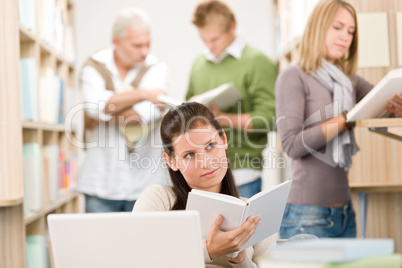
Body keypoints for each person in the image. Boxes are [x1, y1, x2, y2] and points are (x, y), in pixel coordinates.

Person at [275, 0, 375, 238]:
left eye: (351, 31)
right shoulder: (293, 76)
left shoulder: (348, 80)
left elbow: (380, 100)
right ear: (318, 27)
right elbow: (291, 145)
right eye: (338, 27)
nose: (346, 37)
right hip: (306, 216)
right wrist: (343, 120)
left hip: (344, 212)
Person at [133, 102, 276, 267]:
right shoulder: (159, 200)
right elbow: (139, 260)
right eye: (190, 155)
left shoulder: (254, 215)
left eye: (210, 145)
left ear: (223, 139)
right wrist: (208, 250)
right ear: (171, 160)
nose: (206, 162)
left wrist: (239, 259)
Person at [77, 7, 169, 212]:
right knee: (99, 243)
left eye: (147, 44)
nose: (144, 52)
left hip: (146, 183)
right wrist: (143, 94)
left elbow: (142, 116)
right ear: (117, 42)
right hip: (100, 182)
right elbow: (94, 108)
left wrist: (104, 113)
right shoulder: (94, 66)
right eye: (137, 45)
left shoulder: (157, 68)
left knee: (143, 244)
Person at [186, 0, 278, 198]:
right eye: (204, 40)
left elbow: (270, 119)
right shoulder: (198, 64)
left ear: (232, 27)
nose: (209, 46)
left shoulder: (257, 62)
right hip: (202, 174)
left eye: (215, 39)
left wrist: (221, 119)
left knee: (243, 228)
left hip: (242, 172)